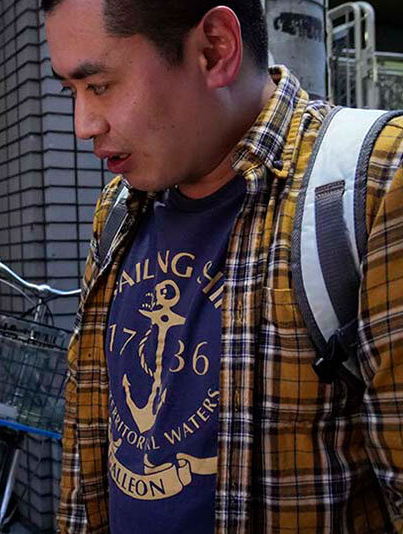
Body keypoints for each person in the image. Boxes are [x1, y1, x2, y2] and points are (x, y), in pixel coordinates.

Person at [42, 0, 403, 532]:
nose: (83, 125)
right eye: (69, 91)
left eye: (99, 86)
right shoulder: (118, 208)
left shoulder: (375, 182)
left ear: (215, 49)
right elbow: (88, 440)